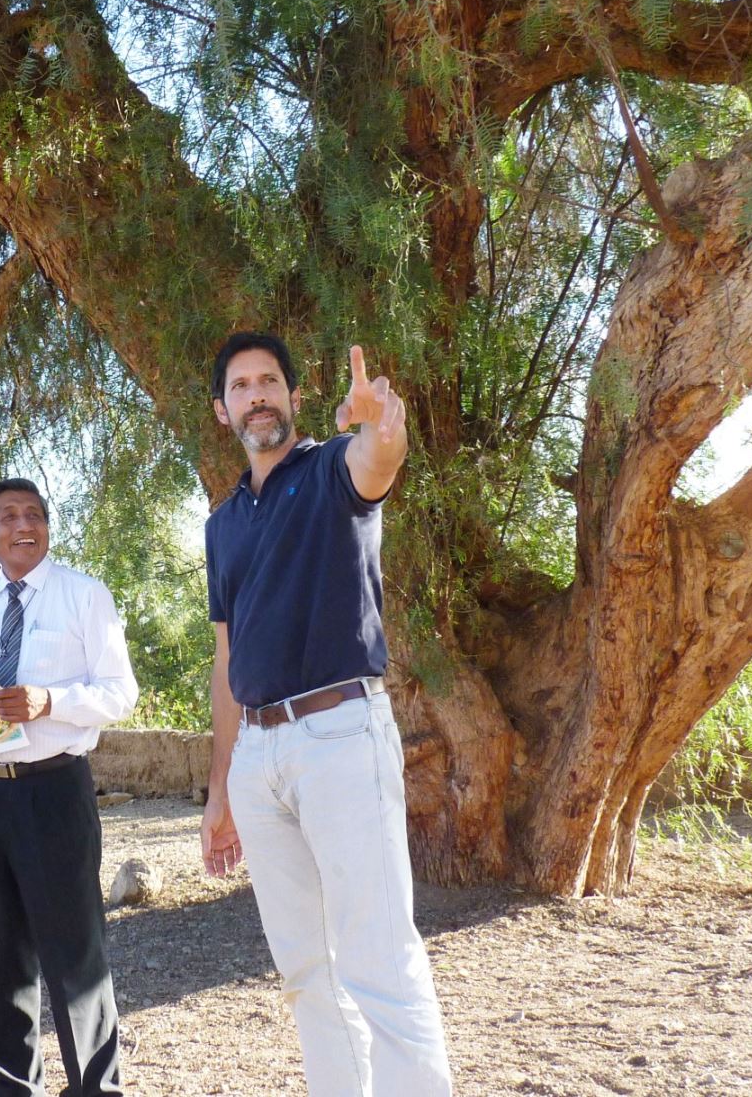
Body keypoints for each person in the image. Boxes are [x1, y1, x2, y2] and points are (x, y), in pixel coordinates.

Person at [199, 332, 452, 1096]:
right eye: (241, 386)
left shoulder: (330, 471)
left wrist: (382, 429)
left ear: (295, 398)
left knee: (376, 954)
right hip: (257, 756)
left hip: (341, 733)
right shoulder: (221, 524)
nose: (257, 395)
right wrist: (221, 789)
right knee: (306, 969)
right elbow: (225, 659)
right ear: (223, 411)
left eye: (269, 380)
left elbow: (378, 462)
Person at [0, 478, 138, 1097]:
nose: (24, 524)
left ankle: (96, 1088)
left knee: (74, 949)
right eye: (9, 516)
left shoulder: (84, 596)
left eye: (35, 514)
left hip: (54, 789)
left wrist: (50, 702)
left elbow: (120, 693)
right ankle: (11, 1083)